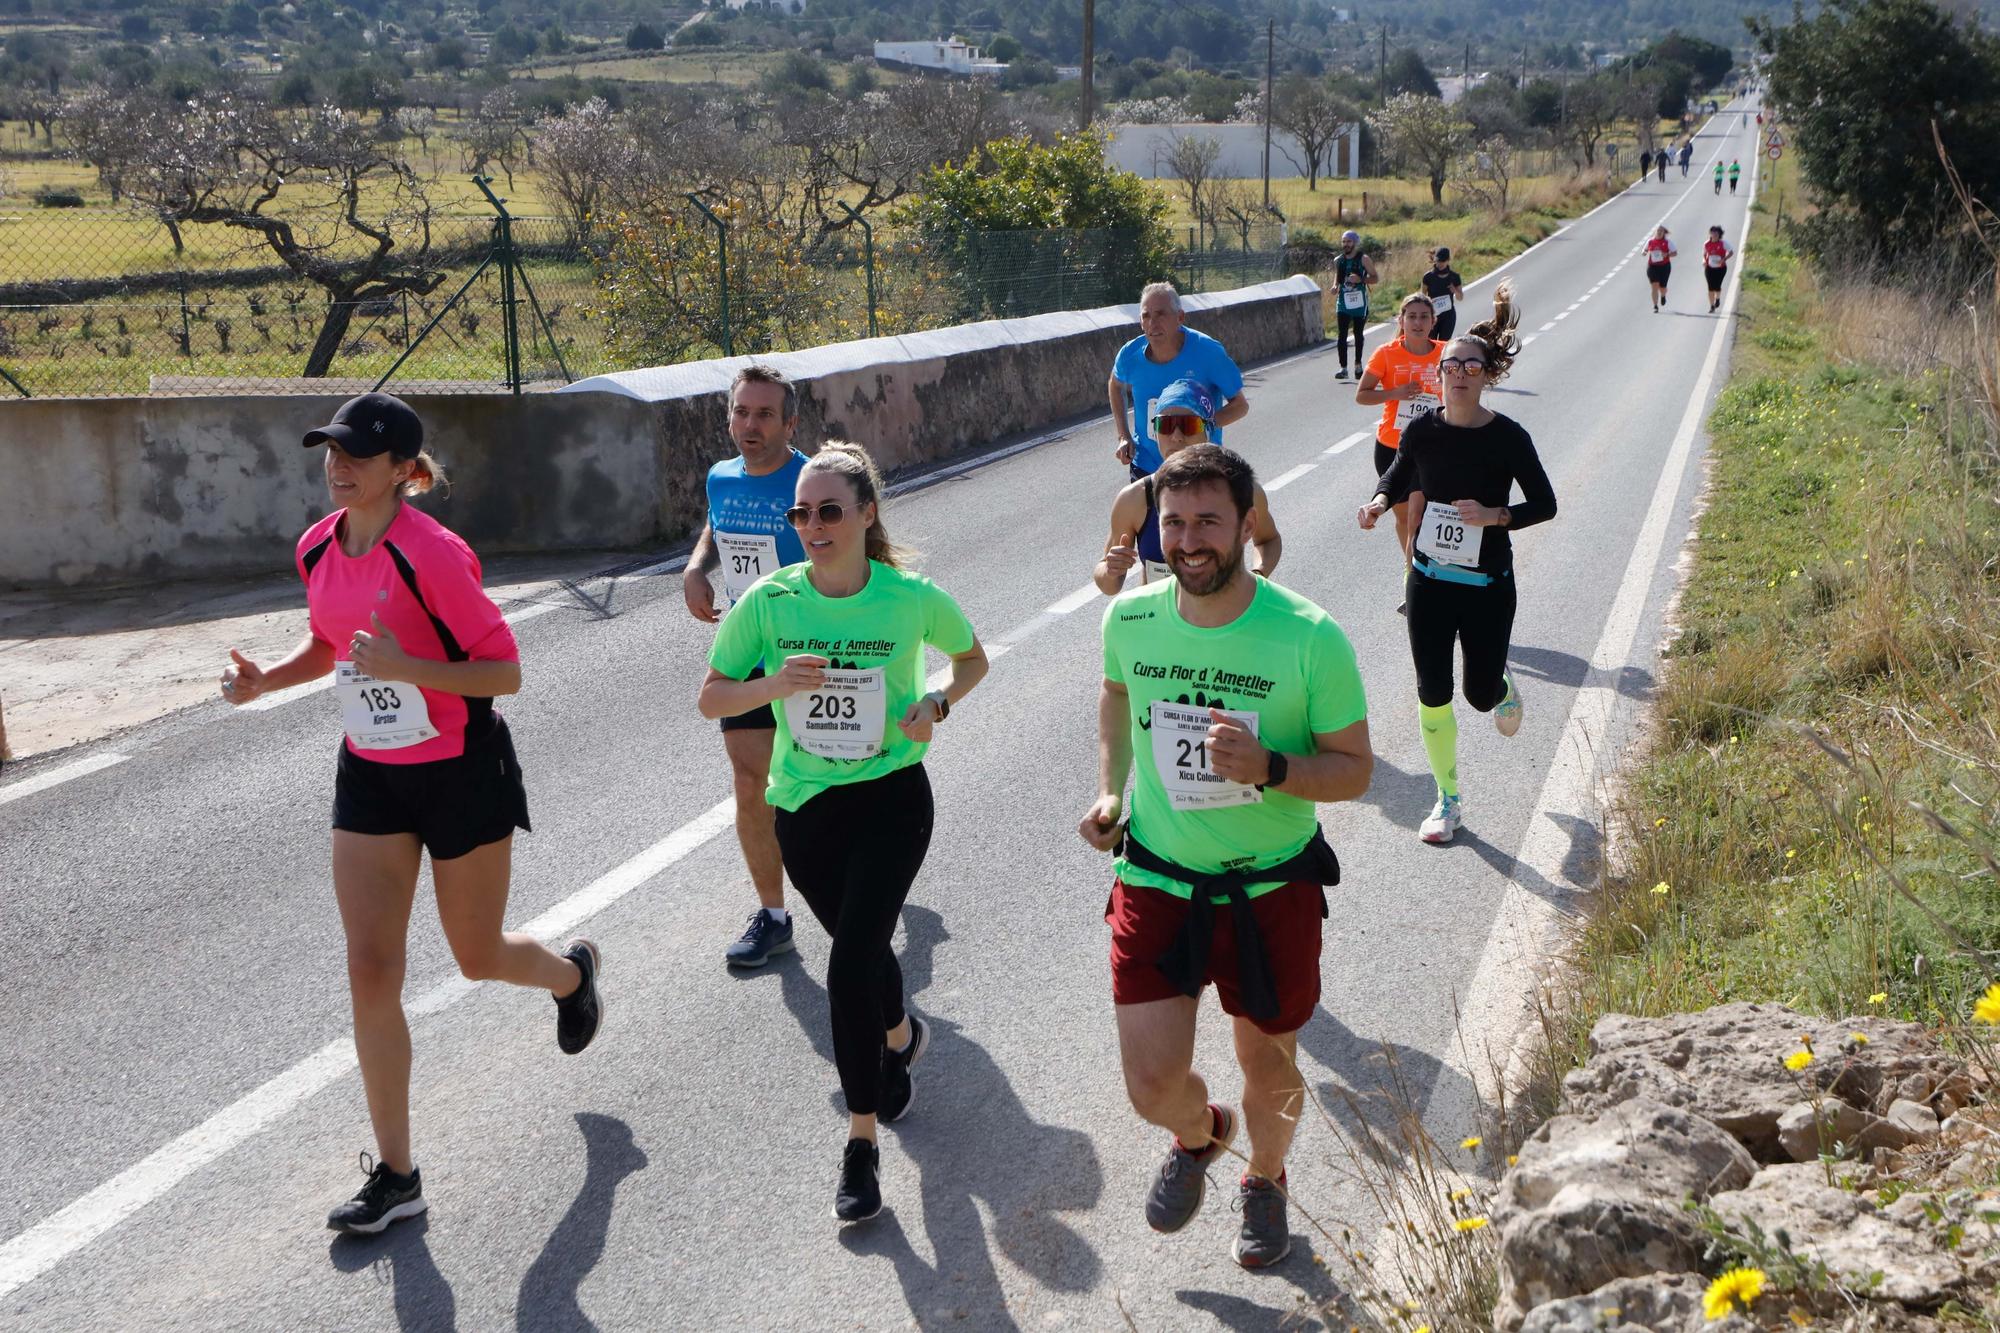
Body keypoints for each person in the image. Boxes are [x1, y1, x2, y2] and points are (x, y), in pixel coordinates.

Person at [219, 392, 604, 1236]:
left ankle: (572, 975)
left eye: (357, 454)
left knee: (475, 956)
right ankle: (398, 1173)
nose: (339, 464)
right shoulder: (319, 545)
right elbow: (331, 642)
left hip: (460, 771)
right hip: (371, 775)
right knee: (370, 967)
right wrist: (264, 683)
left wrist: (410, 665)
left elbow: (504, 672)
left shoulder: (432, 554)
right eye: (331, 450)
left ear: (403, 470)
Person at [1081, 442, 1372, 1270]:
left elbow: (1355, 770)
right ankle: (1201, 1134)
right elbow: (1115, 694)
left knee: (1266, 1060)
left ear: (1248, 523)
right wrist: (1110, 791)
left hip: (1269, 887)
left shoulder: (1308, 635)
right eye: (1173, 523)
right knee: (1149, 1085)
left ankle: (1266, 1181)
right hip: (1158, 878)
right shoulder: (1130, 619)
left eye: (1209, 520)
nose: (1189, 539)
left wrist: (1273, 767)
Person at [699, 441, 989, 1225]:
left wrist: (936, 703)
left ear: (866, 514)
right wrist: (774, 683)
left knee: (851, 955)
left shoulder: (907, 596)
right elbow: (711, 697)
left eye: (830, 510)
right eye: (802, 512)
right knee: (863, 958)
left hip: (893, 796)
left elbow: (971, 658)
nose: (814, 524)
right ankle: (899, 1032)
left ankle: (860, 1143)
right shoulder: (770, 600)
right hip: (803, 808)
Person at [1355, 286, 1556, 845]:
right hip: (1429, 581)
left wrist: (1495, 516)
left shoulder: (1509, 437)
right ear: (1438, 373)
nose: (1461, 374)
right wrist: (1377, 501)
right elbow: (1399, 473)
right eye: (1453, 366)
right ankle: (1448, 800)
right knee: (1433, 690)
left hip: (1489, 584)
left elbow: (1545, 504)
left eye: (1472, 366)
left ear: (1486, 374)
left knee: (1477, 693)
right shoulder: (1423, 430)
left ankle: (1500, 685)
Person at [683, 367, 811, 967]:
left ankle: (860, 886)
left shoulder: (812, 479)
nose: (750, 426)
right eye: (741, 413)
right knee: (749, 781)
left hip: (817, 654)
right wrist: (695, 567)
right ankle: (775, 916)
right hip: (748, 654)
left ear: (791, 422)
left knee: (826, 783)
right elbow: (717, 522)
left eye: (765, 415)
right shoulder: (721, 477)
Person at [1095, 379, 1282, 594]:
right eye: (1165, 425)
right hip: (1161, 624)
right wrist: (1110, 570)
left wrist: (1259, 574)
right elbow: (1107, 584)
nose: (1176, 436)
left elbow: (1268, 540)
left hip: (1223, 621)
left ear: (1208, 430)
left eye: (1188, 425)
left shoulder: (1242, 490)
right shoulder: (1135, 499)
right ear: (1154, 432)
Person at [1109, 282, 1250, 480]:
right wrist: (1124, 436)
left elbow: (1240, 405)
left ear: (1180, 317)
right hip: (1147, 467)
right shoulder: (1129, 355)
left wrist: (1199, 425)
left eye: (1161, 314)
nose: (1153, 323)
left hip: (1199, 466)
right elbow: (1115, 385)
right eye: (1146, 316)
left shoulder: (1208, 352)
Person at [1355, 292, 1445, 592]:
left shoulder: (1446, 353)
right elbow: (1362, 394)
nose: (1418, 323)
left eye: (1424, 317)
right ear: (1401, 320)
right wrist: (1395, 393)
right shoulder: (1386, 354)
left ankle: (1424, 575)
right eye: (1412, 317)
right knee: (1406, 517)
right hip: (1393, 447)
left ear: (1434, 322)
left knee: (1425, 515)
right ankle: (1413, 574)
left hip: (1434, 448)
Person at [1330, 230, 1379, 381]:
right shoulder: (1339, 260)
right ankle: (1343, 368)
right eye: (1344, 242)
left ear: (1355, 243)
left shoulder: (1364, 259)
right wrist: (1335, 286)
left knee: (1358, 334)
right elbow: (1337, 277)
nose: (1346, 244)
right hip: (1343, 302)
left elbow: (1375, 278)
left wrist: (1361, 279)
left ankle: (1358, 365)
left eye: (1349, 241)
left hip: (1359, 303)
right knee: (1342, 335)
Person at [1419, 247, 1465, 344]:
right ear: (1435, 260)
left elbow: (1460, 298)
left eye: (1443, 261)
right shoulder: (1428, 277)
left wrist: (1455, 291)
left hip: (1448, 316)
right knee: (1431, 343)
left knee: (1444, 344)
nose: (1440, 264)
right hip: (1432, 316)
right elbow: (1422, 297)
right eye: (1438, 261)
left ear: (1448, 261)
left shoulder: (1455, 277)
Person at [1643, 226, 1676, 313]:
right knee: (1654, 286)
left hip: (1664, 266)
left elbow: (1675, 253)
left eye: (1661, 231)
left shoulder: (1667, 242)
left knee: (1662, 287)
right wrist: (1644, 252)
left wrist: (1667, 254)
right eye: (1658, 231)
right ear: (1655, 232)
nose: (1659, 232)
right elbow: (1645, 250)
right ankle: (1655, 306)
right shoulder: (1650, 241)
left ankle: (1663, 295)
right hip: (1652, 266)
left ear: (1664, 233)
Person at [1702, 225, 1734, 314]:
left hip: (1721, 268)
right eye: (1713, 233)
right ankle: (1712, 306)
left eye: (1716, 233)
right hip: (1709, 268)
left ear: (1719, 234)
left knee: (1717, 286)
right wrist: (1704, 261)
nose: (1714, 234)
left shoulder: (1723, 243)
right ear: (1710, 233)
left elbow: (1731, 252)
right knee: (1710, 287)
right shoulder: (1706, 244)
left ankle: (1718, 298)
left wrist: (1724, 259)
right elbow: (1704, 255)